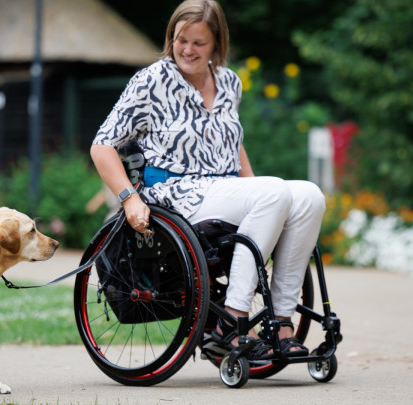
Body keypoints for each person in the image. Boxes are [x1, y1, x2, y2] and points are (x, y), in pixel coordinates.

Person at [90, 0, 325, 360]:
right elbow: (103, 144)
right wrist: (128, 198)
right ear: (171, 38)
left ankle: (281, 320)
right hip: (178, 195)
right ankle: (230, 320)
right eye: (181, 39)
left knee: (309, 195)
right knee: (275, 191)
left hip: (224, 187)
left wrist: (262, 192)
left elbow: (234, 145)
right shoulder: (152, 81)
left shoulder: (229, 83)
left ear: (217, 43)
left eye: (199, 43)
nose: (188, 50)